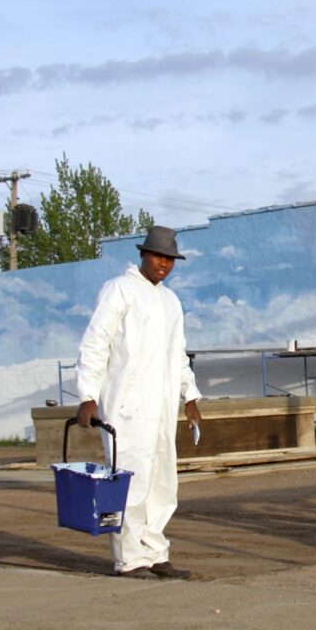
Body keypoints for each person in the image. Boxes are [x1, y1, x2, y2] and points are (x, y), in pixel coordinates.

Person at [75, 225, 203, 580]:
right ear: (143, 255)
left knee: (162, 480)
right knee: (129, 481)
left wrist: (189, 395)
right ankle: (129, 558)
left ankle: (156, 551)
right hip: (126, 406)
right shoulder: (119, 290)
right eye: (158, 256)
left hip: (161, 405)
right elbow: (96, 342)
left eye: (170, 259)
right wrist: (87, 395)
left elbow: (177, 354)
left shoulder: (170, 302)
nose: (164, 264)